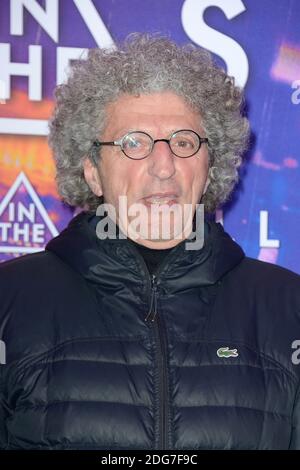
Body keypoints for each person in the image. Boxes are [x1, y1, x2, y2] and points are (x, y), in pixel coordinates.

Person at [0, 33, 300, 451]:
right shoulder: (10, 299)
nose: (164, 166)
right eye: (133, 143)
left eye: (183, 142)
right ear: (91, 170)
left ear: (210, 166)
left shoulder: (288, 306)